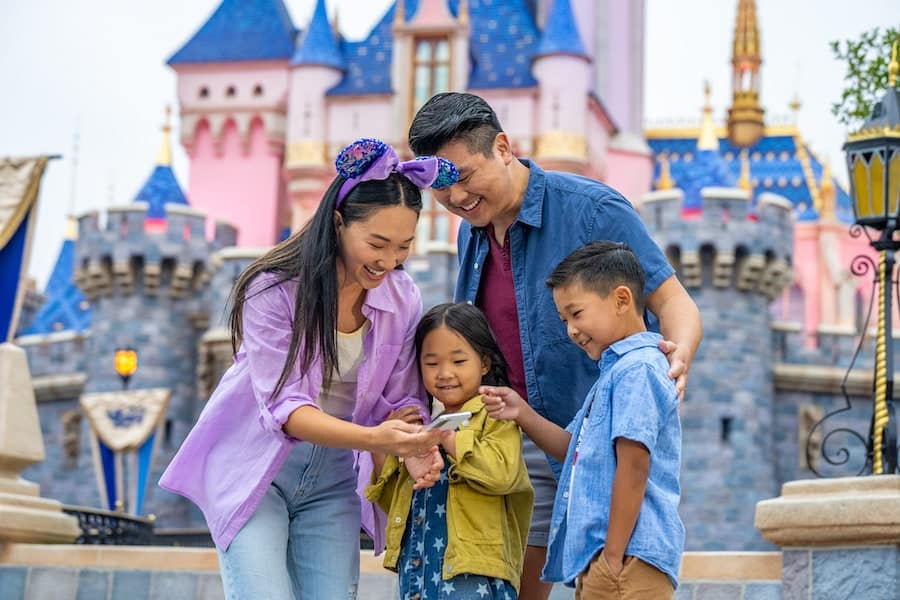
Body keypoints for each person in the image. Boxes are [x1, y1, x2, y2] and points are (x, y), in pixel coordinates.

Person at [408, 92, 701, 600]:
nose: (456, 198)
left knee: (614, 583)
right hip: (510, 439)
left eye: (465, 176)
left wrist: (680, 355)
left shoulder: (593, 209)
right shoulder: (471, 236)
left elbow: (673, 299)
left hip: (596, 444)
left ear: (503, 147)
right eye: (441, 188)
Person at [159, 137, 460, 600]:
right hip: (258, 471)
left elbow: (401, 397)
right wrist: (376, 438)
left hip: (335, 478)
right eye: (376, 243)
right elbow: (286, 409)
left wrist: (412, 438)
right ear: (339, 223)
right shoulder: (272, 289)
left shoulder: (402, 296)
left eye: (403, 246)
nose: (389, 261)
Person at [483, 242, 684, 599]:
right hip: (606, 558)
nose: (570, 330)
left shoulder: (638, 371)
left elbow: (634, 465)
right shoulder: (613, 374)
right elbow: (570, 448)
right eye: (564, 320)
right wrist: (522, 413)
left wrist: (613, 555)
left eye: (576, 314)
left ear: (622, 300)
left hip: (627, 558)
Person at [366, 302, 534, 599]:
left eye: (458, 362)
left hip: (472, 575)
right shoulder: (423, 426)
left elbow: (501, 476)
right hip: (418, 570)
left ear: (484, 363)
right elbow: (397, 505)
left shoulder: (495, 417)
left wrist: (449, 438)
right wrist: (383, 447)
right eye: (431, 363)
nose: (444, 373)